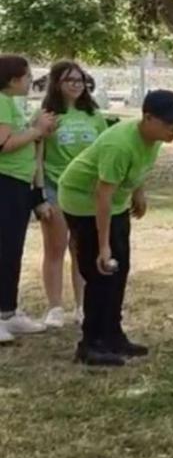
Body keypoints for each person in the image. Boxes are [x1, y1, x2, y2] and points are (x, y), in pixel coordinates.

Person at [58, 90, 173, 366]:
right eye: (169, 123)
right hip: (83, 201)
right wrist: (103, 246)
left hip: (115, 203)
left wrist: (138, 193)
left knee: (120, 268)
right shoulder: (118, 145)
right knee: (99, 270)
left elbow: (138, 167)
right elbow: (101, 196)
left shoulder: (153, 137)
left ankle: (113, 335)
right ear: (148, 117)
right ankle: (90, 345)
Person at [35, 61, 108, 329]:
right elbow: (37, 157)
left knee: (82, 250)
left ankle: (82, 305)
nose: (76, 85)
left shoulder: (94, 115)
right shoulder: (47, 115)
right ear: (56, 83)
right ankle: (55, 307)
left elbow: (104, 152)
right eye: (69, 80)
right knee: (55, 249)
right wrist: (39, 195)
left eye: (80, 80)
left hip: (86, 191)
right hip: (55, 188)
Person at [0, 54, 57, 344]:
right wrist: (36, 130)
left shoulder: (13, 104)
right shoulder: (1, 102)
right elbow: (4, 144)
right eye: (26, 76)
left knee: (13, 249)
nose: (30, 80)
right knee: (4, 248)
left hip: (20, 185)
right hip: (5, 184)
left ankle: (8, 312)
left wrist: (35, 126)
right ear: (12, 80)